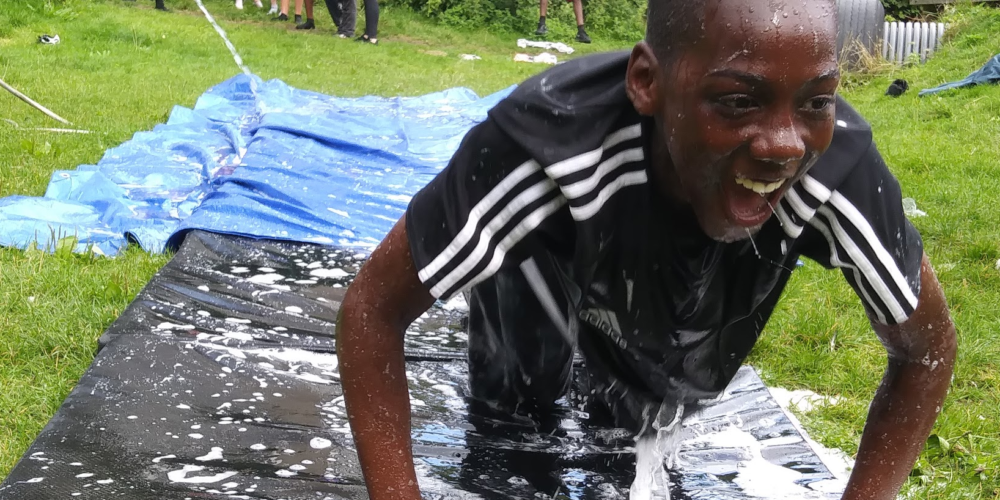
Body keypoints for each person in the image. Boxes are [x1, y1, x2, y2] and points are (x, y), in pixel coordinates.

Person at [335, 0, 958, 498]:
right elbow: (371, 310)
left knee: (636, 428)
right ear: (646, 83)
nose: (782, 145)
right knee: (515, 435)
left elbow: (927, 348)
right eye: (738, 101)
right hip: (541, 278)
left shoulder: (834, 165)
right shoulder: (544, 146)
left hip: (677, 310)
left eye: (816, 100)